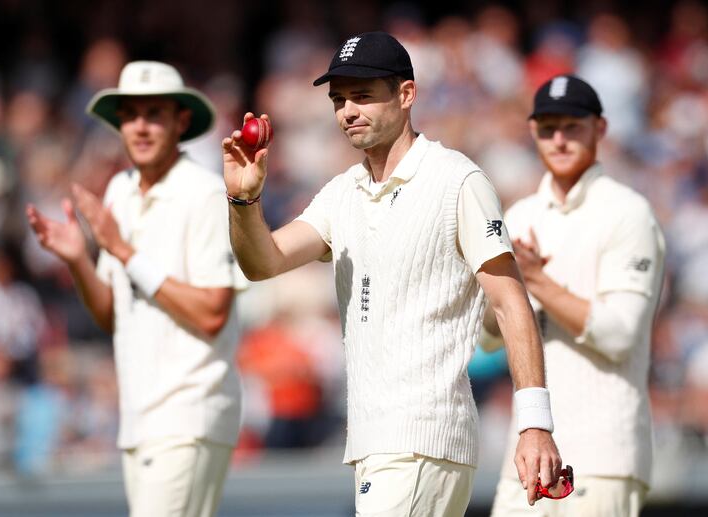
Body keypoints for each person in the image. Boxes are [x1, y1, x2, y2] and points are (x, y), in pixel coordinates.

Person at [222, 31, 562, 516]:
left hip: (423, 435)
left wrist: (534, 424)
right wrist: (243, 199)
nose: (348, 112)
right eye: (339, 100)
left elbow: (510, 303)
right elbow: (263, 262)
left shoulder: (456, 180)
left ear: (406, 95)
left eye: (363, 96)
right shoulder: (344, 192)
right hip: (374, 440)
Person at [26, 61, 247, 517]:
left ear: (181, 121)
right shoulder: (120, 191)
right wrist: (78, 260)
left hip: (189, 413)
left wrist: (125, 252)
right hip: (141, 419)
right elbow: (111, 312)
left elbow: (212, 313)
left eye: (154, 114)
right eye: (130, 115)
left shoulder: (205, 193)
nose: (141, 127)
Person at [482, 75, 666, 517]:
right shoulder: (520, 215)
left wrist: (535, 281)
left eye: (572, 126)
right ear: (532, 132)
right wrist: (503, 295)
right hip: (526, 452)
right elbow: (489, 338)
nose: (559, 139)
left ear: (600, 129)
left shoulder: (628, 213)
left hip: (603, 453)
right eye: (548, 128)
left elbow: (621, 334)